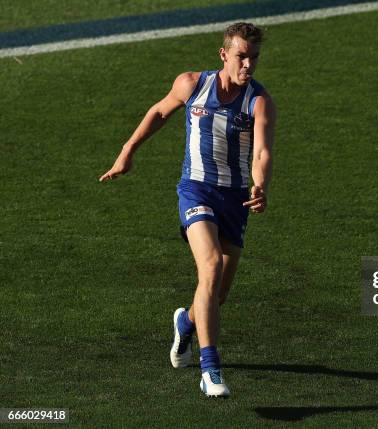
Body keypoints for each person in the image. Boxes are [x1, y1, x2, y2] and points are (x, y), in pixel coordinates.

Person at [99, 22, 275, 397]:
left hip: (236, 199)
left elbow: (261, 152)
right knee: (209, 266)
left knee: (216, 293)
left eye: (254, 58)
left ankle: (186, 323)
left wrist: (261, 185)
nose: (248, 65)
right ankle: (210, 369)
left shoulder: (259, 102)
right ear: (223, 54)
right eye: (241, 56)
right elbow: (160, 112)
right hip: (195, 190)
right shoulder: (193, 84)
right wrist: (128, 151)